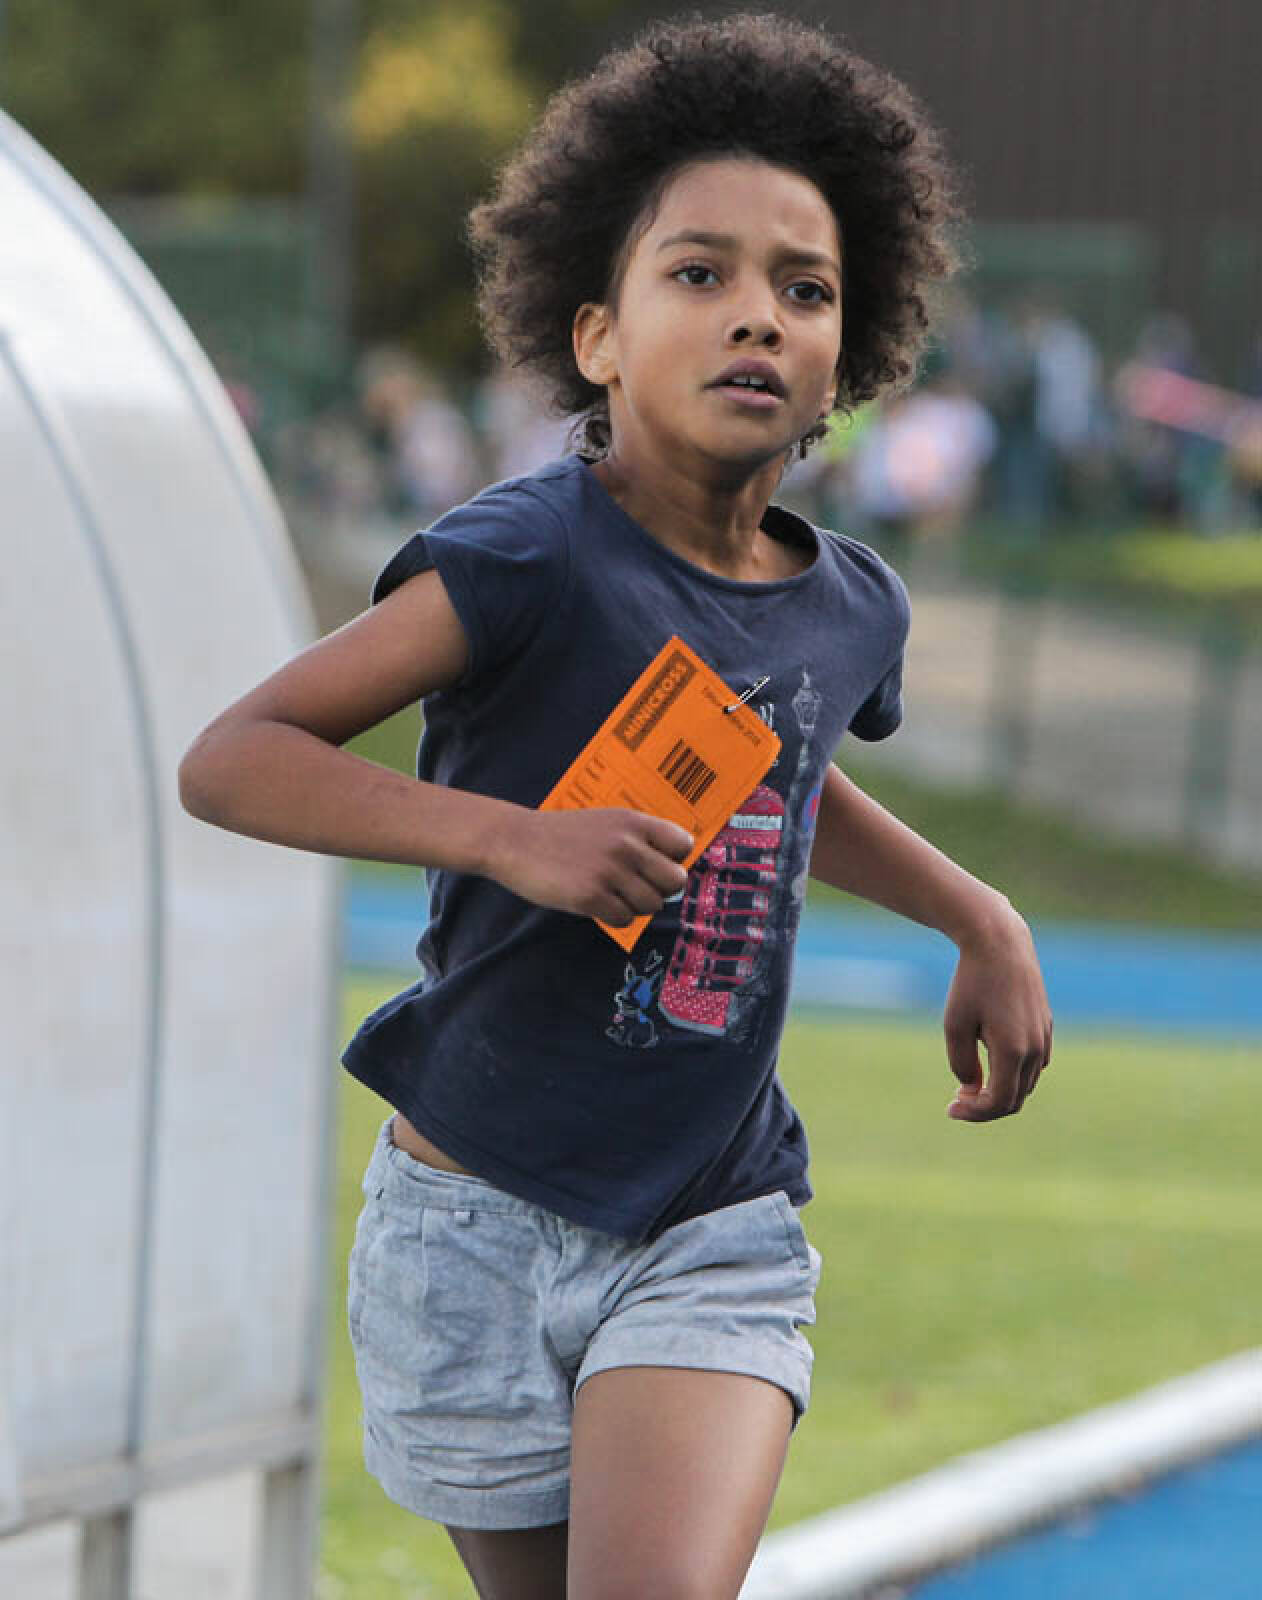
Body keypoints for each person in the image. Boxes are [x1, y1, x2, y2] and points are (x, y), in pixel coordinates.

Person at [178, 14, 1052, 1598]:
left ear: (846, 357)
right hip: (470, 1223)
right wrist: (511, 838)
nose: (757, 315)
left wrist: (973, 914)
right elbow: (236, 757)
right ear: (596, 336)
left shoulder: (850, 604)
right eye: (698, 274)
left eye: (805, 290)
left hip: (711, 1216)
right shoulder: (523, 556)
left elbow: (790, 774)